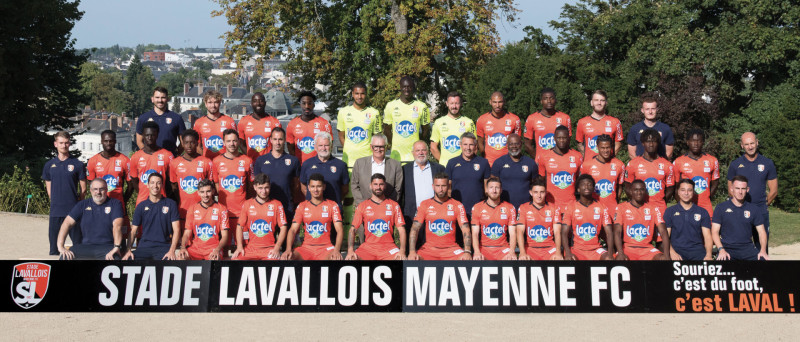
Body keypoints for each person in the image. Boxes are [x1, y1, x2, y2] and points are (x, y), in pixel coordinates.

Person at [726, 132, 777, 250]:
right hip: (740, 211)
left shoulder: (768, 163)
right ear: (742, 146)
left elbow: (774, 190)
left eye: (752, 143)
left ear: (757, 142)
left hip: (760, 211)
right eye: (746, 144)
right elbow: (730, 190)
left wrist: (764, 205)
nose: (750, 147)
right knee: (741, 246)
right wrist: (741, 206)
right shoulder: (735, 164)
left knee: (762, 247)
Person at [407, 173, 471, 260]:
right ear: (433, 187)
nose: (440, 189)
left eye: (443, 186)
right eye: (437, 186)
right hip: (429, 249)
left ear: (448, 186)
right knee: (413, 260)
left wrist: (467, 251)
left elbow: (465, 229)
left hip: (451, 249)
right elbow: (415, 228)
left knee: (466, 260)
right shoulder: (424, 204)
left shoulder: (457, 205)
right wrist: (412, 252)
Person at [42, 131, 87, 255]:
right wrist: (56, 201)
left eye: (66, 143)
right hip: (55, 211)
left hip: (73, 211)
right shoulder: (49, 165)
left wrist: (78, 206)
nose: (64, 145)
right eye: (61, 143)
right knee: (54, 249)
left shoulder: (78, 164)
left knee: (78, 246)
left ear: (70, 143)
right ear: (55, 144)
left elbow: (83, 189)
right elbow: (49, 190)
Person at [56, 179, 123, 260]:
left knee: (115, 259)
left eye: (101, 189)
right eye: (95, 189)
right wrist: (60, 247)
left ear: (106, 189)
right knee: (64, 257)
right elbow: (66, 223)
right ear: (91, 190)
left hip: (107, 247)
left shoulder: (115, 204)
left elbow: (117, 225)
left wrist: (116, 247)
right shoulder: (82, 205)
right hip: (85, 246)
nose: (98, 192)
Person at [282, 173, 344, 260]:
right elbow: (293, 230)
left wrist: (336, 250)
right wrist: (288, 249)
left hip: (326, 248)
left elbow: (340, 230)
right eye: (313, 186)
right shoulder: (302, 206)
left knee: (336, 259)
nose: (315, 190)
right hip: (306, 248)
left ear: (324, 187)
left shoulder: (332, 205)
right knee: (287, 258)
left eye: (319, 186)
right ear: (308, 187)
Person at [346, 174, 407, 260]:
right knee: (351, 259)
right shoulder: (362, 206)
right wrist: (350, 251)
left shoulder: (394, 205)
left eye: (381, 184)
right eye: (375, 184)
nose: (378, 187)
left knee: (400, 260)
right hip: (368, 248)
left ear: (384, 186)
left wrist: (402, 251)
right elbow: (353, 229)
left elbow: (401, 230)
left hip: (388, 247)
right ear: (370, 186)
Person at [123, 173, 181, 260]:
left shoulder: (171, 204)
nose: (155, 186)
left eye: (158, 183)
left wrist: (172, 251)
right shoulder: (141, 206)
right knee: (127, 260)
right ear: (147, 185)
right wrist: (128, 250)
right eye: (152, 183)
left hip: (164, 248)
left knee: (170, 261)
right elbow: (133, 231)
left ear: (162, 185)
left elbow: (177, 230)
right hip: (144, 248)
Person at [86, 130, 132, 240]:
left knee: (121, 237)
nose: (108, 143)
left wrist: (123, 199)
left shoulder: (124, 160)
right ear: (101, 141)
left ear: (115, 141)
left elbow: (131, 185)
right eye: (106, 141)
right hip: (100, 205)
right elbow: (90, 184)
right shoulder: (93, 161)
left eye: (111, 141)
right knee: (101, 236)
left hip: (118, 205)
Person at [232, 174, 289, 260]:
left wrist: (277, 248)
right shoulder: (247, 204)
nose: (264, 191)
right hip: (250, 249)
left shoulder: (277, 204)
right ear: (255, 187)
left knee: (273, 265)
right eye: (260, 188)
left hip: (269, 249)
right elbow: (240, 226)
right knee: (235, 261)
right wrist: (239, 247)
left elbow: (283, 227)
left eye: (266, 187)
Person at [401, 141, 446, 248]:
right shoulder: (404, 170)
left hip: (434, 216)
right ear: (413, 153)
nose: (421, 153)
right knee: (412, 249)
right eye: (417, 150)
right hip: (412, 215)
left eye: (423, 150)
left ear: (428, 151)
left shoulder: (439, 168)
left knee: (434, 248)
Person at [713, 175, 769, 260]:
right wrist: (721, 249)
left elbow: (762, 232)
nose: (740, 192)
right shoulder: (721, 208)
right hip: (727, 249)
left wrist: (763, 250)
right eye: (737, 188)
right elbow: (714, 232)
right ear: (732, 189)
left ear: (747, 189)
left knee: (763, 261)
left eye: (743, 189)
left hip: (747, 249)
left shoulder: (754, 209)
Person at [613, 180, 670, 261]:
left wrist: (667, 255)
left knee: (663, 259)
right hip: (628, 248)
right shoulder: (621, 207)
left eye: (642, 189)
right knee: (620, 259)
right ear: (631, 191)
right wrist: (620, 253)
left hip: (647, 248)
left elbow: (663, 231)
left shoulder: (653, 208)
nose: (639, 192)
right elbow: (617, 232)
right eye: (636, 190)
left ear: (645, 191)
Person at [561, 175, 615, 261]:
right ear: (578, 189)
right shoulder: (571, 206)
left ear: (593, 188)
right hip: (577, 250)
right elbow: (564, 233)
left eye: (589, 184)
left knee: (608, 259)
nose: (586, 186)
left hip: (596, 249)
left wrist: (610, 253)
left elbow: (609, 233)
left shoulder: (602, 207)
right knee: (570, 260)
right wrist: (567, 253)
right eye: (583, 184)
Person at [211, 129, 253, 237]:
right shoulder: (216, 161)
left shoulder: (247, 161)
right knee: (225, 244)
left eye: (234, 141)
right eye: (228, 141)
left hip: (242, 213)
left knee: (243, 243)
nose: (232, 144)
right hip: (224, 213)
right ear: (224, 143)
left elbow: (251, 186)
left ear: (238, 141)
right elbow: (217, 186)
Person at [254, 127, 301, 221]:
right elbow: (256, 185)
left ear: (284, 140)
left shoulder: (293, 161)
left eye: (280, 139)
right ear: (270, 140)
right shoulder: (260, 160)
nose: (277, 142)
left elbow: (296, 185)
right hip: (266, 206)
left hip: (286, 206)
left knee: (286, 231)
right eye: (275, 139)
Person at [169, 129, 213, 230]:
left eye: (192, 142)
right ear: (182, 144)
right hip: (183, 210)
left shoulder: (206, 162)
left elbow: (211, 186)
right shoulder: (175, 163)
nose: (189, 146)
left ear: (197, 143)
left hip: (203, 210)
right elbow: (174, 186)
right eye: (186, 143)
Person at [624, 128, 674, 214]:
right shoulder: (633, 164)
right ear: (643, 143)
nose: (651, 144)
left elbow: (670, 189)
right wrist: (637, 202)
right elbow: (628, 187)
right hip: (639, 210)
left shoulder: (667, 165)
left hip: (660, 209)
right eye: (648, 141)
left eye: (654, 141)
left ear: (658, 143)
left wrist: (659, 201)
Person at [536, 125, 583, 214]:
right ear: (554, 138)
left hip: (571, 206)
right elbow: (541, 180)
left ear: (569, 138)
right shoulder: (544, 156)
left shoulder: (578, 156)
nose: (561, 140)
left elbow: (579, 180)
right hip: (551, 205)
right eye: (559, 138)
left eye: (564, 138)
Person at [383, 76, 431, 162]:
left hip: (414, 156)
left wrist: (418, 144)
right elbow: (386, 130)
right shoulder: (391, 105)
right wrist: (394, 143)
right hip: (396, 155)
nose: (407, 89)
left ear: (413, 88)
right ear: (400, 88)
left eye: (409, 87)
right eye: (404, 87)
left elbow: (425, 130)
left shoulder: (422, 106)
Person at [178, 179, 229, 260]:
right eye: (202, 192)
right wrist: (183, 247)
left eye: (208, 191)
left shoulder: (222, 209)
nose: (205, 195)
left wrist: (217, 249)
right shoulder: (192, 209)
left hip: (213, 248)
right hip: (196, 248)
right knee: (181, 258)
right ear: (198, 192)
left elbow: (225, 236)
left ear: (213, 191)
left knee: (215, 259)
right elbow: (187, 234)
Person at [673, 129, 720, 217]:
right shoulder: (678, 162)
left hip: (705, 206)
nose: (696, 143)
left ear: (703, 142)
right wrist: (682, 203)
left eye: (699, 141)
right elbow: (675, 187)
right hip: (686, 207)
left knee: (707, 226)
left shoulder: (712, 160)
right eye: (693, 141)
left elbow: (715, 182)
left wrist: (707, 197)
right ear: (688, 142)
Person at [446, 132, 491, 221]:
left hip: (478, 210)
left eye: (471, 145)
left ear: (475, 146)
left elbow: (487, 189)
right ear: (460, 145)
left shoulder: (484, 163)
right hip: (457, 211)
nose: (468, 148)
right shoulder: (452, 163)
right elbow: (448, 188)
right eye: (465, 144)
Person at [470, 177, 518, 260]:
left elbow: (513, 233)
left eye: (497, 188)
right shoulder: (477, 207)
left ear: (501, 190)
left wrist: (511, 251)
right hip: (484, 248)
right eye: (491, 187)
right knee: (478, 260)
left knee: (511, 260)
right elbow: (475, 234)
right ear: (486, 190)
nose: (494, 190)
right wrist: (477, 251)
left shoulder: (510, 208)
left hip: (503, 248)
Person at [664, 179, 713, 260]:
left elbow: (707, 236)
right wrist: (671, 252)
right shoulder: (669, 211)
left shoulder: (702, 212)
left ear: (693, 192)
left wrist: (709, 255)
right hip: (676, 251)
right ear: (678, 192)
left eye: (689, 190)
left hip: (697, 251)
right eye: (683, 190)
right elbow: (666, 236)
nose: (686, 193)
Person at [299, 132, 349, 209]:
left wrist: (335, 201)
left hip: (334, 210)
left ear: (331, 146)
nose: (323, 148)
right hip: (312, 210)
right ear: (315, 147)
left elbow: (345, 190)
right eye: (320, 145)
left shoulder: (341, 165)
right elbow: (303, 187)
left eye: (326, 145)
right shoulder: (307, 164)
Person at [129, 122, 175, 206]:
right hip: (142, 202)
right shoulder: (135, 157)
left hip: (162, 202)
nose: (149, 138)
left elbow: (172, 182)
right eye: (147, 135)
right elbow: (134, 181)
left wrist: (164, 194)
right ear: (143, 135)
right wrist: (143, 193)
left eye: (152, 135)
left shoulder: (167, 155)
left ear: (157, 135)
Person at [337, 82, 382, 167]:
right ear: (352, 94)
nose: (359, 97)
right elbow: (341, 136)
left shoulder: (374, 113)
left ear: (366, 94)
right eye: (357, 94)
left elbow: (377, 138)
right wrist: (349, 150)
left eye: (362, 94)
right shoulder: (343, 112)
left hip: (367, 161)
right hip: (349, 161)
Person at [517, 177, 563, 260]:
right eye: (536, 192)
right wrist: (522, 253)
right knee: (524, 260)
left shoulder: (554, 208)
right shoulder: (523, 208)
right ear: (531, 193)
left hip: (549, 248)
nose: (539, 196)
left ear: (545, 193)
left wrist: (558, 252)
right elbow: (520, 231)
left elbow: (557, 232)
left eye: (542, 192)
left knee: (558, 260)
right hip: (531, 248)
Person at [351, 134, 402, 207]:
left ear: (386, 147)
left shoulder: (396, 165)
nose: (378, 149)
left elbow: (398, 188)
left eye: (381, 146)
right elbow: (354, 185)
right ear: (371, 147)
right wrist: (363, 205)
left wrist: (387, 205)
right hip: (365, 208)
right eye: (376, 146)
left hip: (387, 208)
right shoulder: (359, 163)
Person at [580, 134, 625, 213]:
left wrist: (615, 202)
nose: (605, 151)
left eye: (608, 147)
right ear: (597, 147)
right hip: (592, 210)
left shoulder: (619, 165)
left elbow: (620, 187)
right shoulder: (586, 165)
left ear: (611, 147)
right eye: (602, 148)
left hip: (612, 210)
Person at [490, 134, 538, 208]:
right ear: (507, 145)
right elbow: (493, 185)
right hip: (504, 207)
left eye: (516, 143)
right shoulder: (499, 162)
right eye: (511, 144)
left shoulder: (530, 163)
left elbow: (535, 184)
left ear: (521, 144)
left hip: (526, 208)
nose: (514, 146)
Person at [430, 91, 476, 167]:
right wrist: (443, 163)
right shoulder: (438, 122)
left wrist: (468, 163)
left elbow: (475, 146)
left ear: (461, 104)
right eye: (451, 103)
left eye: (456, 103)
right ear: (447, 104)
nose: (454, 106)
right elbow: (433, 147)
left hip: (464, 166)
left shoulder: (468, 122)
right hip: (445, 168)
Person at [476, 91, 522, 166]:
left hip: (508, 163)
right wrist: (484, 159)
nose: (497, 105)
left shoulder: (514, 119)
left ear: (504, 102)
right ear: (490, 102)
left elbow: (518, 143)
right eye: (494, 102)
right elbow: (480, 142)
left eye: (500, 102)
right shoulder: (482, 119)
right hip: (489, 164)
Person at [136, 87, 186, 156]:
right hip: (151, 160)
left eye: (163, 97)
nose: (160, 100)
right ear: (152, 99)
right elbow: (139, 141)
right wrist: (148, 156)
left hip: (170, 160)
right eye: (157, 97)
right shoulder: (143, 118)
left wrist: (174, 155)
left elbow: (183, 142)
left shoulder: (177, 118)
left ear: (167, 99)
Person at [524, 88, 572, 159]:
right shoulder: (532, 118)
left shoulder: (565, 118)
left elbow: (567, 142)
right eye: (545, 98)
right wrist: (538, 159)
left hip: (559, 161)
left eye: (551, 98)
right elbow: (527, 145)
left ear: (555, 100)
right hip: (541, 162)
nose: (549, 101)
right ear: (541, 101)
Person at [286, 90, 332, 163]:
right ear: (300, 105)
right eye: (304, 103)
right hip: (300, 166)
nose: (307, 106)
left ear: (314, 105)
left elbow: (329, 146)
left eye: (310, 103)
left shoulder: (324, 124)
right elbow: (290, 148)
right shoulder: (292, 124)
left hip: (319, 165)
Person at [575, 90, 623, 160]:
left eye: (602, 100)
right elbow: (579, 144)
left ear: (606, 103)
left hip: (608, 164)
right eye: (596, 100)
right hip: (590, 164)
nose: (599, 103)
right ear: (591, 103)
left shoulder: (615, 122)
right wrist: (588, 158)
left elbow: (618, 143)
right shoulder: (582, 122)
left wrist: (609, 158)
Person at [238, 92, 283, 161]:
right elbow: (241, 143)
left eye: (261, 101)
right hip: (251, 163)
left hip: (269, 162)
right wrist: (249, 157)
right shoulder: (243, 121)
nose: (258, 103)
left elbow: (280, 144)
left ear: (265, 103)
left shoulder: (275, 122)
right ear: (251, 103)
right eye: (255, 101)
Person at [193, 90, 237, 160]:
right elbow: (197, 146)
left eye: (216, 102)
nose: (213, 106)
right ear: (205, 104)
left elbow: (235, 144)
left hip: (225, 162)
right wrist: (204, 160)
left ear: (220, 103)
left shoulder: (229, 121)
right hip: (207, 163)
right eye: (210, 102)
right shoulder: (199, 123)